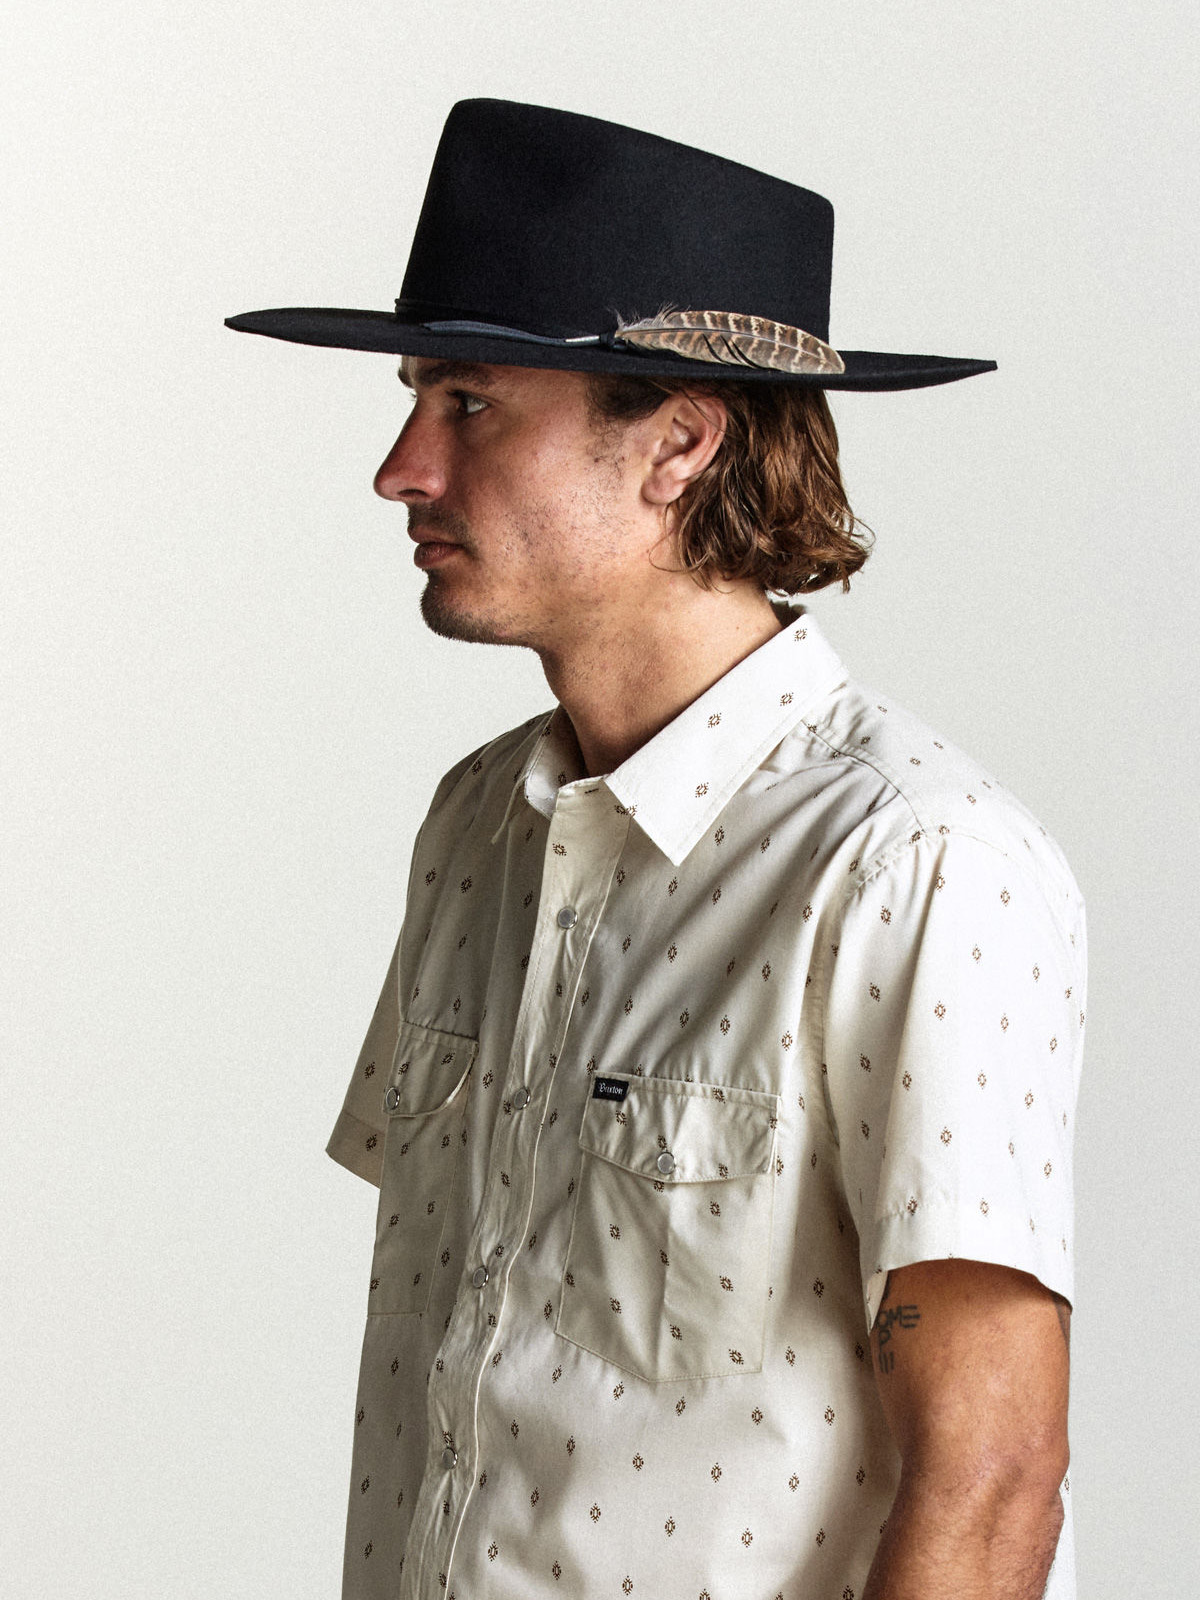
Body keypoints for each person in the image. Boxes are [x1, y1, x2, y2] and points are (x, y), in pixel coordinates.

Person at [227, 99, 1084, 1600]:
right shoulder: (478, 826)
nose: (402, 468)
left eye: (470, 403)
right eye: (418, 398)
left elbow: (995, 1480)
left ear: (681, 442)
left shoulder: (915, 861)